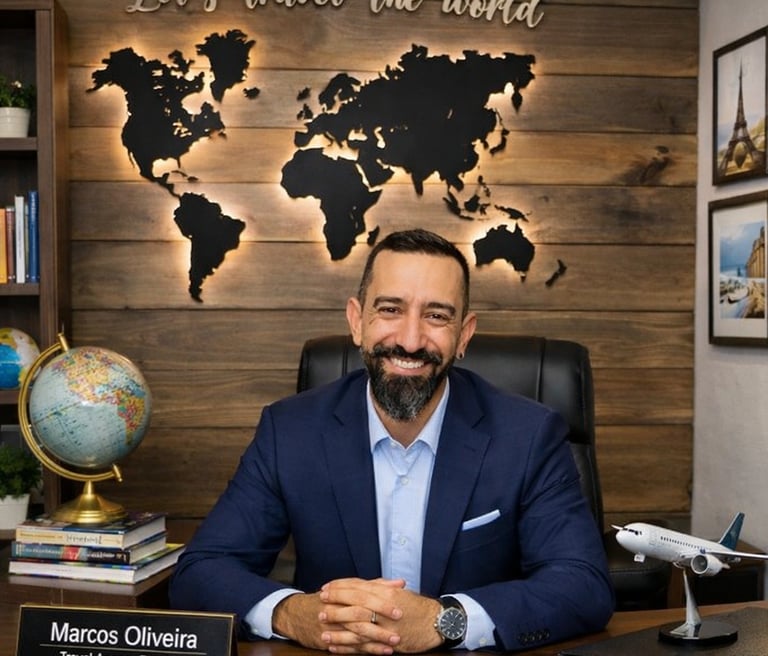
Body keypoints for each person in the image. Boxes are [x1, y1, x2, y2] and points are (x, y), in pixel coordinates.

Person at [169, 228, 614, 653]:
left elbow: (583, 585)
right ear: (356, 321)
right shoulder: (290, 431)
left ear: (464, 335)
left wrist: (446, 621)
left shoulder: (529, 436)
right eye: (390, 309)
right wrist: (294, 615)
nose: (410, 340)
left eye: (436, 316)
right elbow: (202, 571)